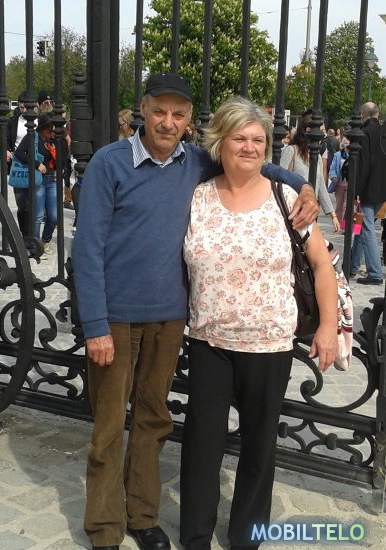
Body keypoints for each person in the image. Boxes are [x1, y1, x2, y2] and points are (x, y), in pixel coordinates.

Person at [72, 72, 319, 550]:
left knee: (153, 420)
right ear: (143, 110)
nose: (168, 122)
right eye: (159, 111)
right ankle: (104, 527)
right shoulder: (109, 163)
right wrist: (95, 325)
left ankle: (143, 516)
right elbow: (87, 247)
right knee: (108, 428)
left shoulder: (195, 162)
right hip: (116, 320)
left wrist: (304, 185)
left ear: (189, 121)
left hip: (170, 318)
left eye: (178, 114)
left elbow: (254, 163)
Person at [180, 96, 338, 550]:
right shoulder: (198, 197)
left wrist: (327, 327)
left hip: (268, 345)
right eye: (239, 138)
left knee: (258, 448)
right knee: (201, 445)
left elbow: (321, 265)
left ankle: (247, 537)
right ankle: (195, 536)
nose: (249, 147)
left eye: (257, 140)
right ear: (220, 142)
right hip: (209, 341)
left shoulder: (286, 199)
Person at [280, 114, 340, 233]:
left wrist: (333, 215)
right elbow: (279, 177)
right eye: (320, 130)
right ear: (307, 130)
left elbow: (321, 186)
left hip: (311, 210)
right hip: (294, 209)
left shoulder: (316, 156)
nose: (322, 135)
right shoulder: (291, 151)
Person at [350, 102, 386, 284]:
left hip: (368, 188)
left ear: (363, 115)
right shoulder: (383, 131)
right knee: (362, 225)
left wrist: (356, 190)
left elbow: (363, 165)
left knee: (366, 228)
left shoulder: (364, 133)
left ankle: (375, 273)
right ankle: (352, 265)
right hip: (382, 188)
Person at [15, 113, 58, 255]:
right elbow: (19, 153)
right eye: (51, 126)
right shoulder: (33, 136)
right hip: (38, 179)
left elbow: (61, 158)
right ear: (45, 126)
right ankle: (35, 245)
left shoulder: (54, 138)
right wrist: (36, 164)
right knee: (38, 215)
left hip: (52, 179)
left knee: (54, 216)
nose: (53, 129)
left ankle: (45, 240)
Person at [7, 91, 29, 236]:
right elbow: (7, 140)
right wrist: (6, 151)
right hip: (18, 164)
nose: (24, 110)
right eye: (21, 107)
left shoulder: (39, 120)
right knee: (21, 203)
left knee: (35, 204)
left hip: (36, 164)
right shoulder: (13, 121)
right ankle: (25, 235)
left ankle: (34, 235)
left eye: (26, 107)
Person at [328, 137, 350, 222]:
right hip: (339, 184)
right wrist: (333, 176)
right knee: (339, 206)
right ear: (342, 145)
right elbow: (332, 168)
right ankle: (338, 224)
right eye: (346, 143)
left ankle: (346, 225)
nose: (348, 145)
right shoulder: (337, 155)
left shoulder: (355, 154)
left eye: (349, 143)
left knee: (347, 206)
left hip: (350, 184)